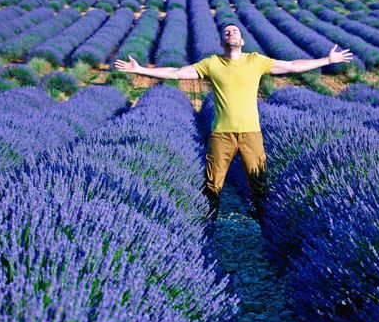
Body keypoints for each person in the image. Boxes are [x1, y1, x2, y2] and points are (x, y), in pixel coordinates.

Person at [114, 23, 353, 222]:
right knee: (212, 185)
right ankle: (207, 227)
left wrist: (326, 60)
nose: (231, 33)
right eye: (227, 32)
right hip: (222, 134)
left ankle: (264, 224)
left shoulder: (255, 60)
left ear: (242, 41)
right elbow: (177, 72)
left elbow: (290, 66)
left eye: (235, 31)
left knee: (259, 182)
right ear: (221, 43)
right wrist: (141, 69)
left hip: (251, 133)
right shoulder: (212, 63)